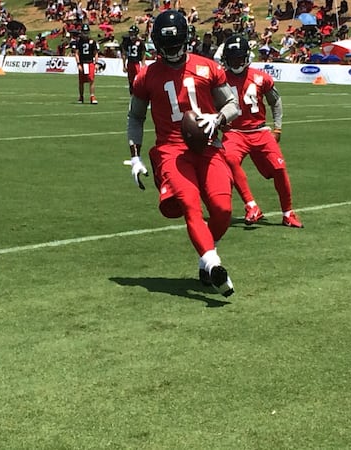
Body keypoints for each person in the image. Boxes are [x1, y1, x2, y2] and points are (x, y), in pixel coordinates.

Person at [124, 10, 240, 297]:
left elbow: (233, 104)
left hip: (209, 145)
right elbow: (135, 117)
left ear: (186, 40)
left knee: (223, 211)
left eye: (177, 45)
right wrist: (136, 155)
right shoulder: (146, 75)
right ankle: (214, 265)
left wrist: (219, 119)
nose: (172, 52)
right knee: (189, 205)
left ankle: (204, 257)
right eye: (167, 47)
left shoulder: (207, 67)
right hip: (172, 151)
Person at [221, 35, 303, 228]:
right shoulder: (220, 78)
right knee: (229, 160)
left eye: (238, 59)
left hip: (259, 130)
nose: (235, 63)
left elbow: (275, 101)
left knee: (279, 169)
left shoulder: (261, 77)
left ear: (246, 57)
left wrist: (277, 126)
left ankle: (288, 213)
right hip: (234, 132)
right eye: (232, 59)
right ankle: (251, 206)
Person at [74, 23, 99, 104]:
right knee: (81, 81)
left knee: (91, 80)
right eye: (84, 32)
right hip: (82, 62)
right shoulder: (79, 41)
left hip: (90, 62)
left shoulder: (92, 41)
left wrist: (96, 63)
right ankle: (81, 97)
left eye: (86, 32)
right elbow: (77, 53)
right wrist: (78, 64)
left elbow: (95, 53)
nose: (85, 34)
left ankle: (92, 96)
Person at [121, 25, 146, 94]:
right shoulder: (127, 42)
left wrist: (143, 63)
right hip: (130, 63)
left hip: (137, 63)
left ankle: (140, 93)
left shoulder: (140, 42)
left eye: (132, 33)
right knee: (130, 81)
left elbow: (143, 53)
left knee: (138, 79)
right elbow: (124, 53)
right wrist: (124, 65)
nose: (131, 34)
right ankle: (132, 95)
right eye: (130, 33)